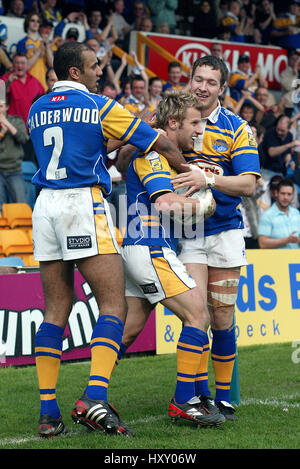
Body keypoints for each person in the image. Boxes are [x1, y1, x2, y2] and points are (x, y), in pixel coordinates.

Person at [28, 41, 195, 438]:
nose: (100, 70)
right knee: (113, 304)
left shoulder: (36, 108)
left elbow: (86, 146)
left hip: (44, 205)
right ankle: (95, 397)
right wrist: (191, 171)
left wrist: (115, 140)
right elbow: (163, 144)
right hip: (82, 204)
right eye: (93, 65)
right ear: (74, 72)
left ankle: (48, 414)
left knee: (56, 309)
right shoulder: (101, 106)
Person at [118, 91, 224, 427]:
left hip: (143, 248)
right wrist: (204, 205)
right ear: (173, 122)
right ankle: (184, 400)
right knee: (198, 315)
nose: (199, 130)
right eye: (194, 122)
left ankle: (93, 395)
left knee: (127, 332)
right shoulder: (153, 155)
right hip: (150, 248)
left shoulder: (162, 155)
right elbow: (165, 204)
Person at [170, 56, 261, 421]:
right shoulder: (178, 117)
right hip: (189, 232)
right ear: (190, 80)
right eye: (198, 79)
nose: (202, 87)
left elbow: (249, 184)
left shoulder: (237, 128)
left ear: (221, 88)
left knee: (222, 315)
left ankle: (224, 399)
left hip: (224, 231)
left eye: (210, 82)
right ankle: (195, 396)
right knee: (197, 315)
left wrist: (208, 179)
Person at [1, 52, 45, 127]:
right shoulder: (5, 78)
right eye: (17, 63)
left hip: (32, 126)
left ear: (27, 65)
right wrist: (8, 82)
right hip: (13, 127)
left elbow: (43, 100)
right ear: (13, 65)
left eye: (22, 63)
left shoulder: (34, 81)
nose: (20, 65)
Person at [0, 96, 29, 209]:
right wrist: (2, 132)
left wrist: (7, 124)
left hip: (14, 170)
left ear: (7, 107)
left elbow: (24, 139)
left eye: (1, 106)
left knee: (21, 205)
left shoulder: (16, 120)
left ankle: (22, 226)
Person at [16, 12, 54, 92]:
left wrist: (46, 46)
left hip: (44, 84)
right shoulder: (22, 43)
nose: (35, 23)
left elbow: (52, 65)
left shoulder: (44, 42)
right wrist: (39, 49)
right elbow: (24, 67)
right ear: (27, 23)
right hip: (29, 84)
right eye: (32, 20)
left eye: (38, 21)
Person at [258, 178, 300, 248]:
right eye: (283, 193)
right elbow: (262, 243)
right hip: (277, 259)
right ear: (276, 193)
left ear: (293, 195)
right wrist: (287, 240)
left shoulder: (296, 213)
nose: (286, 197)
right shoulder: (267, 215)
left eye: (289, 194)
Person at [261, 115, 300, 181]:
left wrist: (290, 162)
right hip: (267, 170)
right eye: (278, 129)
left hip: (281, 172)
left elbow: (287, 153)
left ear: (289, 128)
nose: (279, 132)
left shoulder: (289, 135)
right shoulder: (270, 133)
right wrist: (289, 145)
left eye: (282, 131)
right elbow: (271, 152)